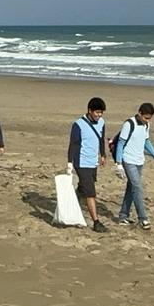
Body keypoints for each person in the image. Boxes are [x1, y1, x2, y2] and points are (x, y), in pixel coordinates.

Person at [115, 103, 154, 229]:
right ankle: (143, 218)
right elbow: (120, 143)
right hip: (128, 160)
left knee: (131, 188)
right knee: (137, 188)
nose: (147, 120)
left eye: (149, 118)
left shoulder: (146, 125)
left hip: (139, 161)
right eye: (146, 118)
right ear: (140, 113)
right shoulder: (129, 124)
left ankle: (123, 216)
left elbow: (146, 141)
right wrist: (118, 163)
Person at [68, 97, 109, 233]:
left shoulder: (101, 122)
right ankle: (96, 221)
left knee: (84, 188)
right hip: (81, 162)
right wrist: (69, 163)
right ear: (89, 111)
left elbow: (101, 139)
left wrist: (102, 155)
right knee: (91, 193)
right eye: (97, 112)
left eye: (101, 113)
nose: (99, 115)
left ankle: (72, 202)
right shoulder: (78, 124)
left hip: (93, 162)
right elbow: (73, 145)